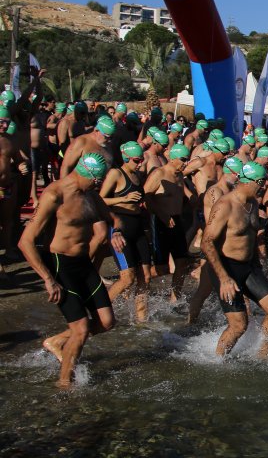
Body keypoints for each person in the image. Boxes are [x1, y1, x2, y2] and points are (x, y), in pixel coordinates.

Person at [18, 153, 122, 388]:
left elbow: (112, 218)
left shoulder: (90, 195)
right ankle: (65, 383)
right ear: (90, 176)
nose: (99, 184)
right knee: (80, 330)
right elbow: (25, 241)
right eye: (98, 180)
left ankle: (56, 342)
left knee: (106, 322)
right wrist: (48, 279)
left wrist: (118, 233)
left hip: (83, 263)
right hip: (59, 265)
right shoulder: (55, 195)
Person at [202, 162, 268, 357]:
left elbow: (250, 237)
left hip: (248, 267)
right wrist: (224, 279)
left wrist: (258, 263)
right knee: (239, 325)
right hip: (226, 268)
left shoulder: (253, 203)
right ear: (251, 182)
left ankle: (263, 354)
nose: (265, 186)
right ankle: (218, 362)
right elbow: (207, 242)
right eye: (262, 182)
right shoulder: (225, 205)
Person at [100, 142, 152, 322]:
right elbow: (100, 200)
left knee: (145, 276)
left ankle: (142, 319)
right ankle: (100, 312)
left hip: (137, 227)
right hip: (120, 227)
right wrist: (124, 198)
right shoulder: (116, 174)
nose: (140, 163)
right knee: (127, 278)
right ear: (126, 158)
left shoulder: (136, 174)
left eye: (141, 160)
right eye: (137, 160)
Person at [187, 156, 243, 324]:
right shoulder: (215, 192)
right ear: (230, 172)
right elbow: (214, 223)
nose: (240, 178)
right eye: (238, 174)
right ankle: (190, 323)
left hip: (225, 246)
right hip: (214, 247)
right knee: (203, 291)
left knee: (206, 290)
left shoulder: (230, 191)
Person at [143, 144, 194, 303]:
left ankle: (174, 299)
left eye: (187, 160)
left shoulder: (179, 175)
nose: (186, 163)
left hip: (176, 222)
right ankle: (141, 280)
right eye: (183, 159)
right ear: (173, 158)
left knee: (182, 263)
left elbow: (181, 198)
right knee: (162, 269)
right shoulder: (159, 173)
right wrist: (163, 215)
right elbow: (146, 197)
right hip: (160, 222)